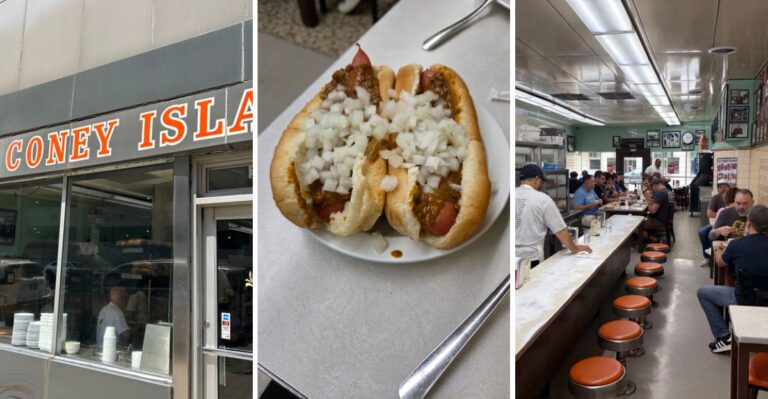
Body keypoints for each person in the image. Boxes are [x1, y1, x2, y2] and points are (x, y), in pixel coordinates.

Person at [697, 205, 768, 353]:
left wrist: (719, 250)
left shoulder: (737, 244)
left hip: (744, 298)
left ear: (748, 223)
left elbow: (720, 262)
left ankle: (723, 337)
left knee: (703, 293)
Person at [516, 164, 592, 266]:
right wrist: (575, 249)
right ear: (537, 179)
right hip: (530, 259)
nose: (541, 186)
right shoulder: (543, 199)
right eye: (541, 182)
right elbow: (560, 230)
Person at [698, 180, 730, 266]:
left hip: (730, 224)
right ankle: (708, 257)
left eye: (725, 187)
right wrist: (723, 215)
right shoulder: (716, 198)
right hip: (717, 223)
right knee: (702, 232)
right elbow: (709, 213)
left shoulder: (732, 198)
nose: (723, 189)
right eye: (720, 187)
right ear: (718, 189)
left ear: (729, 188)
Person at [637, 178, 672, 244]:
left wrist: (645, 194)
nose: (652, 190)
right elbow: (654, 202)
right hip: (665, 218)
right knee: (642, 218)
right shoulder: (667, 191)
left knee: (635, 225)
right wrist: (646, 195)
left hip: (659, 220)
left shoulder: (660, 193)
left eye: (651, 188)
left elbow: (653, 210)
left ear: (654, 185)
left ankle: (655, 240)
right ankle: (648, 237)